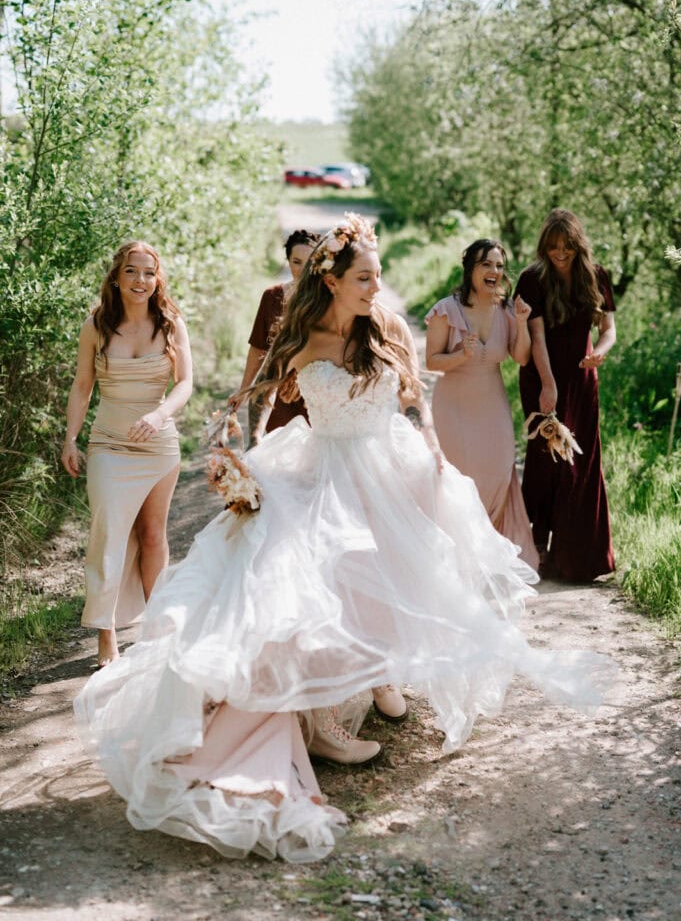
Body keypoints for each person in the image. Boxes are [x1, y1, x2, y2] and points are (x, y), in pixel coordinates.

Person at [74, 214, 614, 863]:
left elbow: (415, 398)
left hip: (390, 463)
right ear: (330, 281)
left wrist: (436, 458)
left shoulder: (385, 326)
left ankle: (373, 680)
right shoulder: (301, 338)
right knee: (309, 579)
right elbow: (251, 391)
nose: (376, 287)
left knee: (395, 574)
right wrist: (226, 450)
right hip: (322, 464)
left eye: (378, 276)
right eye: (364, 278)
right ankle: (324, 719)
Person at [61, 241, 192, 667]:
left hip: (158, 444)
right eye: (132, 272)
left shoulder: (171, 324)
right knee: (109, 538)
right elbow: (82, 387)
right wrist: (70, 438)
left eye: (149, 273)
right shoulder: (96, 326)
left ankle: (156, 626)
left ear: (158, 279)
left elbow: (185, 384)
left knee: (153, 536)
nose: (141, 281)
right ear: (117, 276)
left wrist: (159, 415)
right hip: (109, 445)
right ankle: (106, 633)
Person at [514, 208, 617, 582]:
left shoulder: (596, 276)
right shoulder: (531, 279)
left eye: (567, 247)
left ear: (578, 245)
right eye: (553, 247)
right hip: (543, 378)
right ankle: (536, 546)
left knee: (581, 464)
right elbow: (537, 337)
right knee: (545, 461)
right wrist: (548, 384)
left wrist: (601, 350)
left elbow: (609, 328)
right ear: (545, 246)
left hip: (582, 380)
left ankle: (578, 556)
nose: (560, 253)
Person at [425, 240, 538, 568]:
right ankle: (458, 554)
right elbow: (431, 361)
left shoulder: (506, 310)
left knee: (499, 469)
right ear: (470, 269)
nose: (494, 272)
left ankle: (488, 552)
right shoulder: (446, 309)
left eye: (500, 266)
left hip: (493, 404)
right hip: (454, 407)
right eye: (486, 264)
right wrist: (462, 354)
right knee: (461, 478)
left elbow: (521, 357)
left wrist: (521, 323)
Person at [227, 230, 318, 440]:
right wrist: (244, 389)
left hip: (315, 395)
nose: (303, 269)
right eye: (296, 261)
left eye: (310, 262)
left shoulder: (329, 302)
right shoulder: (272, 297)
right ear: (288, 262)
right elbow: (259, 348)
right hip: (277, 394)